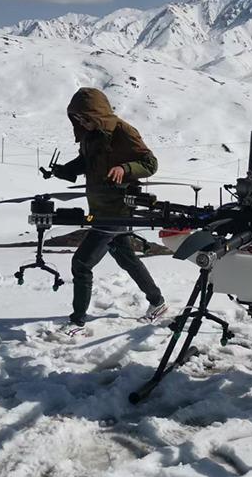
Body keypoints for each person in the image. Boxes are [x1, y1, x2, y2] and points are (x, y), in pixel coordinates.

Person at [45, 88, 168, 327]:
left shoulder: (122, 131)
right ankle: (158, 301)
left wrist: (125, 169)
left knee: (81, 263)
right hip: (99, 207)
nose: (82, 122)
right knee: (127, 258)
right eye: (77, 118)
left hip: (118, 209)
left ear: (98, 114)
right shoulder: (90, 135)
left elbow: (150, 163)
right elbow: (86, 162)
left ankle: (77, 322)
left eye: (86, 118)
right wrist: (65, 170)